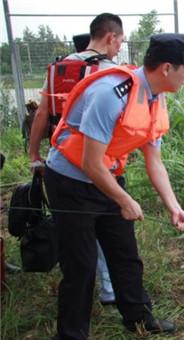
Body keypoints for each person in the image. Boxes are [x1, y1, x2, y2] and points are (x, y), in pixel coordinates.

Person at [44, 33, 184, 340]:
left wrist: (173, 206)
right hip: (70, 181)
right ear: (166, 68)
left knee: (125, 254)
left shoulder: (154, 97)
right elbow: (90, 163)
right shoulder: (110, 94)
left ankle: (137, 316)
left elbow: (155, 161)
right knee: (82, 264)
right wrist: (124, 199)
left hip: (105, 177)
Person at [28, 14, 126, 306]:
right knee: (108, 228)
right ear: (110, 37)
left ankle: (84, 286)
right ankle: (110, 291)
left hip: (61, 158)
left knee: (76, 231)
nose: (120, 47)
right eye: (120, 40)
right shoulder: (112, 73)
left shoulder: (58, 67)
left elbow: (42, 115)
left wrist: (34, 154)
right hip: (100, 160)